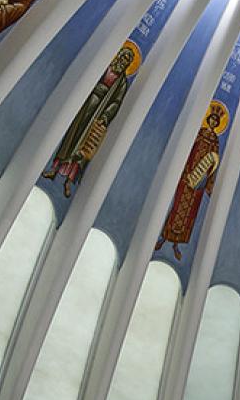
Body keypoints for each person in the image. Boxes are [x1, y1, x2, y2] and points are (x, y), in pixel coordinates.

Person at [47, 39, 140, 198]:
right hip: (84, 107)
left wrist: (105, 116)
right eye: (123, 57)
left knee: (82, 147)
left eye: (127, 60)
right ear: (118, 55)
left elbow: (116, 102)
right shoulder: (106, 68)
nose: (123, 61)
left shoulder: (122, 82)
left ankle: (69, 181)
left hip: (97, 114)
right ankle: (54, 169)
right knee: (71, 138)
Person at [158, 98, 228, 259]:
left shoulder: (215, 142)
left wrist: (208, 183)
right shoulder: (199, 135)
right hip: (187, 176)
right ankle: (163, 237)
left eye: (215, 121)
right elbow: (187, 152)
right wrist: (183, 170)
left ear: (217, 124)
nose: (212, 122)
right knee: (177, 207)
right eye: (211, 119)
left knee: (190, 214)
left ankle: (176, 244)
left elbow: (214, 165)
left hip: (199, 182)